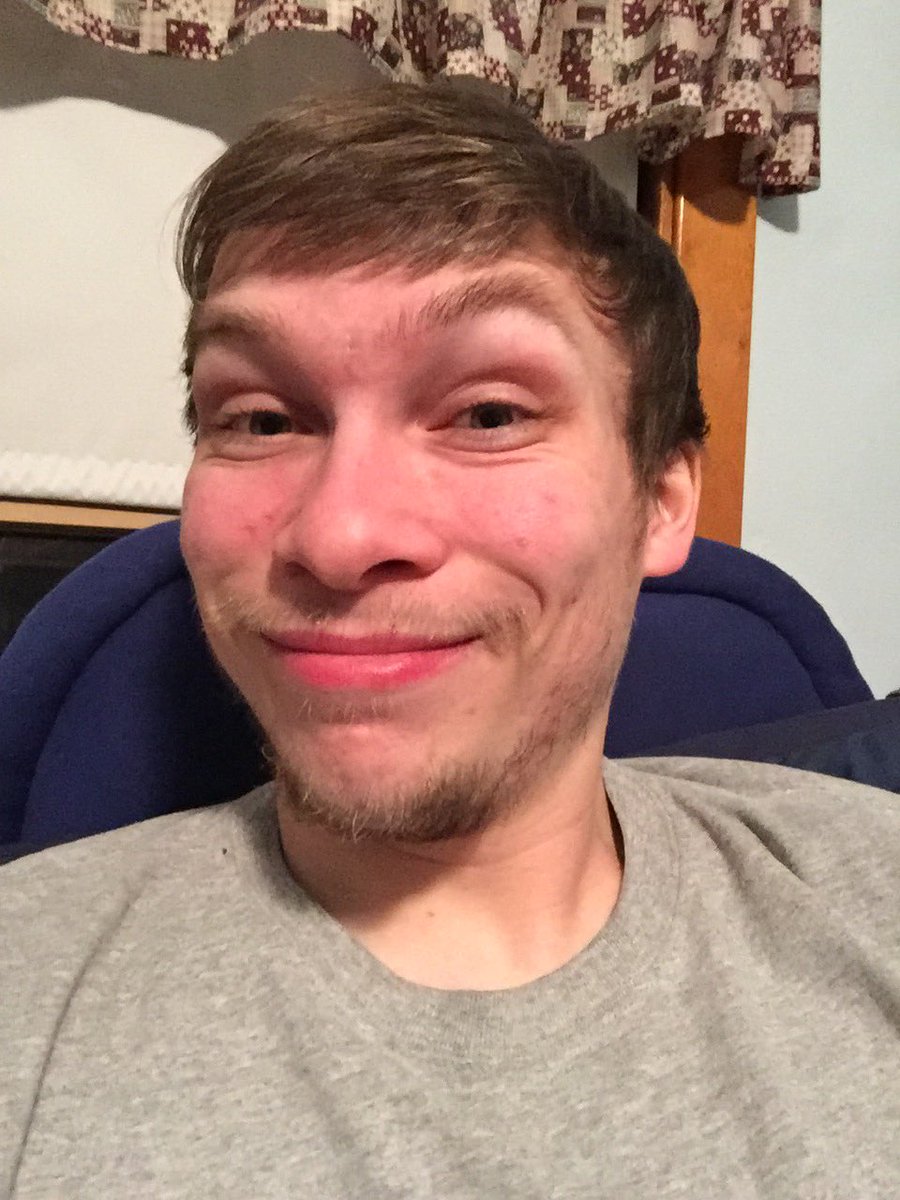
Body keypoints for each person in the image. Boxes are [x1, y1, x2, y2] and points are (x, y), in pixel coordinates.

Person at [2, 84, 898, 1198]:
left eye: (488, 414)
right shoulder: (28, 986)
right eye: (262, 419)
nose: (341, 537)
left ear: (663, 500)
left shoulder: (866, 889)